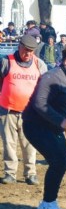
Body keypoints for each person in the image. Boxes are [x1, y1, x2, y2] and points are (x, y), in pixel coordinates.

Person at [22, 45, 66, 209]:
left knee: (63, 160)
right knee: (59, 160)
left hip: (52, 127)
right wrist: (63, 121)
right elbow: (39, 104)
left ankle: (48, 203)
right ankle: (47, 205)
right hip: (34, 126)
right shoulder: (51, 77)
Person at [0, 34, 49, 185]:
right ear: (19, 46)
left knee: (30, 144)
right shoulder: (6, 61)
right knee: (9, 143)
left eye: (31, 51)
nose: (28, 54)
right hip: (7, 111)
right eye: (26, 50)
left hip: (30, 113)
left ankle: (31, 173)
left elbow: (44, 88)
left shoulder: (39, 64)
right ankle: (10, 173)